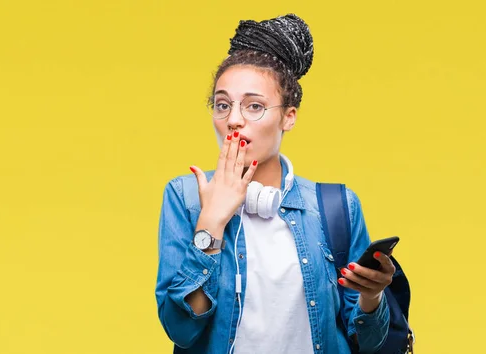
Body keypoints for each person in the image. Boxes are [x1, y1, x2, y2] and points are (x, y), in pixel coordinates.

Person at [155, 13, 396, 354]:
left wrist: (372, 296)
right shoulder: (187, 197)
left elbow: (368, 342)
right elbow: (181, 329)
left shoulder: (335, 206)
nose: (234, 120)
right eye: (222, 105)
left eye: (254, 106)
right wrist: (211, 223)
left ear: (289, 116)